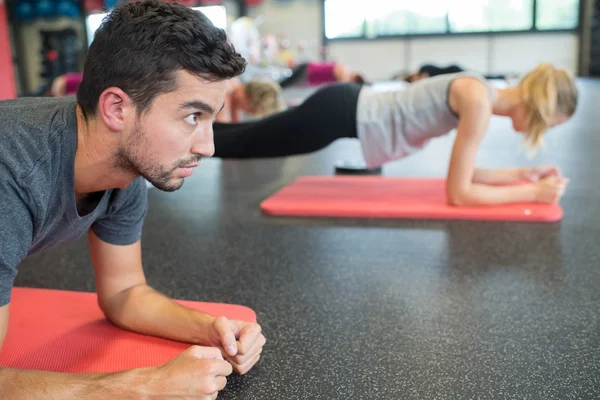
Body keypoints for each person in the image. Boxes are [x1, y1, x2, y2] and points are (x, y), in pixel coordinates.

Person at [0, 1, 265, 399]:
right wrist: (144, 386)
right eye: (193, 115)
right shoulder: (12, 171)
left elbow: (124, 294)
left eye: (211, 118)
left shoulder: (124, 168)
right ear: (117, 108)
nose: (208, 146)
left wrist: (211, 328)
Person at [212, 63, 577, 206]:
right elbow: (459, 193)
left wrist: (522, 176)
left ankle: (190, 133)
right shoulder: (478, 101)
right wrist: (533, 194)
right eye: (548, 124)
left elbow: (466, 176)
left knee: (249, 135)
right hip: (339, 112)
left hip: (342, 109)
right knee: (244, 143)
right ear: (539, 108)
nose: (540, 132)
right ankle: (174, 141)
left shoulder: (480, 93)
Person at [216, 77, 286, 122]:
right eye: (253, 111)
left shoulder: (233, 78)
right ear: (250, 99)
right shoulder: (224, 100)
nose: (249, 113)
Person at [279, 60, 366, 88]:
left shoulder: (346, 70)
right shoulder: (345, 73)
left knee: (286, 82)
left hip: (310, 71)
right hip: (309, 72)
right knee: (284, 84)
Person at [401, 63, 508, 83]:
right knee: (476, 76)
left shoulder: (423, 69)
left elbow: (425, 80)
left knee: (476, 77)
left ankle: (501, 77)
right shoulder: (423, 71)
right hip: (452, 75)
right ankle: (500, 77)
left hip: (453, 71)